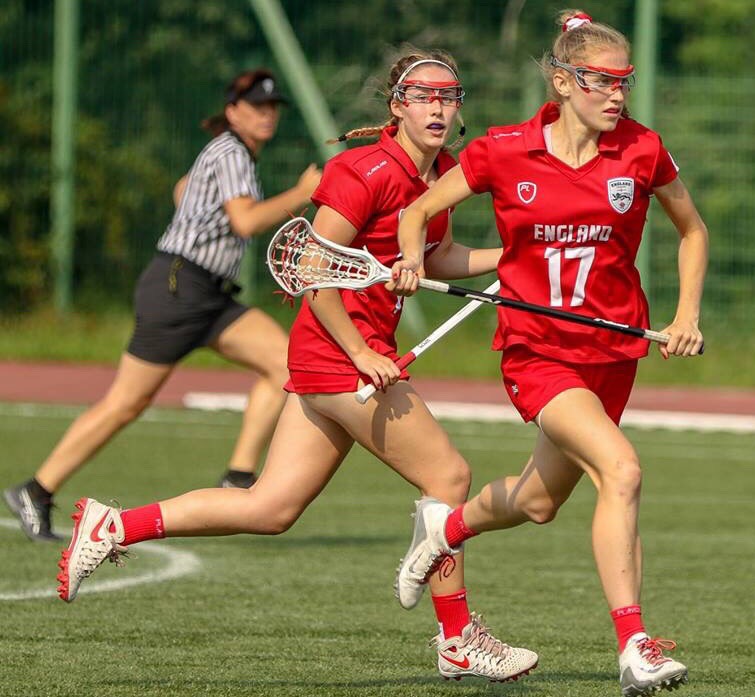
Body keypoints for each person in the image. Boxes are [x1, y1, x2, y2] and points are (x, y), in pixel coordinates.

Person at [55, 48, 538, 683]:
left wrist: (514, 258)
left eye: (449, 96)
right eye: (424, 95)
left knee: (270, 508)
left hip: (341, 358)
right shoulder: (362, 171)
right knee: (447, 476)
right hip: (339, 356)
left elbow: (439, 255)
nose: (438, 107)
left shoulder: (441, 173)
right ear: (397, 105)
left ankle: (114, 525)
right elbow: (311, 270)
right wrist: (361, 352)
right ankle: (457, 640)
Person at [389, 12, 708, 697]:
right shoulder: (503, 150)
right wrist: (412, 258)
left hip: (614, 350)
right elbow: (416, 213)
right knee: (621, 470)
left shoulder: (642, 149)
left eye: (624, 81)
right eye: (601, 81)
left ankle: (444, 526)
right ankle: (635, 647)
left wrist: (686, 314)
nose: (617, 94)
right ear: (563, 82)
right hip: (537, 351)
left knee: (537, 502)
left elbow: (693, 231)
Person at [3, 68, 321, 542]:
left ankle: (237, 477)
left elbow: (181, 190)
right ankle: (36, 490)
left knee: (286, 363)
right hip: (179, 288)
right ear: (233, 111)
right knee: (126, 403)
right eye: (257, 106)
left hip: (209, 295)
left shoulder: (226, 152)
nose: (267, 115)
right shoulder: (231, 151)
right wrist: (301, 193)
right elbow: (245, 222)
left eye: (273, 107)